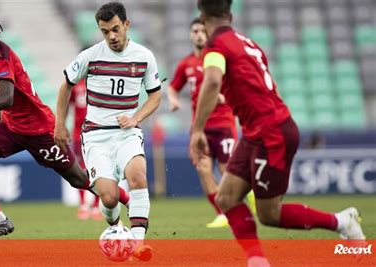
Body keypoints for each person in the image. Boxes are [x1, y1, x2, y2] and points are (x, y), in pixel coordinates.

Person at [190, 1, 366, 266]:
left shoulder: (215, 46)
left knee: (269, 214)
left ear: (201, 17)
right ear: (230, 14)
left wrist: (197, 131)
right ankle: (257, 260)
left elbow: (213, 80)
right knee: (226, 197)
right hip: (259, 131)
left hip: (270, 133)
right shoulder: (248, 43)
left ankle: (343, 221)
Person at [0, 13, 129, 248]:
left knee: (80, 179)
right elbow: (2, 96)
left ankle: (130, 202)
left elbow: (6, 97)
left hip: (39, 131)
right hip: (12, 128)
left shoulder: (0, 55)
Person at [54, 2, 161, 261]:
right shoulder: (90, 56)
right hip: (96, 136)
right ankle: (114, 227)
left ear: (126, 25)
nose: (111, 36)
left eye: (115, 29)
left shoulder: (144, 56)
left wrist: (136, 118)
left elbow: (155, 96)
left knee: (137, 175)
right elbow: (65, 85)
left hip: (127, 133)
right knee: (110, 197)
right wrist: (59, 124)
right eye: (105, 31)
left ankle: (137, 244)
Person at [167, 18, 255, 228]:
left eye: (201, 31)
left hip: (223, 123)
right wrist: (173, 100)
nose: (198, 34)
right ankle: (223, 213)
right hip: (200, 126)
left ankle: (249, 192)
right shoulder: (185, 64)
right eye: (194, 31)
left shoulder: (216, 59)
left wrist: (225, 96)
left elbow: (235, 83)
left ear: (207, 34)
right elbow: (172, 87)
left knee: (227, 170)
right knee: (203, 167)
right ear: (190, 35)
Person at [69, 78, 102, 220]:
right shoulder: (76, 84)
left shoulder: (99, 82)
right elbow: (68, 103)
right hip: (78, 133)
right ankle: (83, 205)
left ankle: (95, 206)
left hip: (96, 132)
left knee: (98, 169)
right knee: (80, 169)